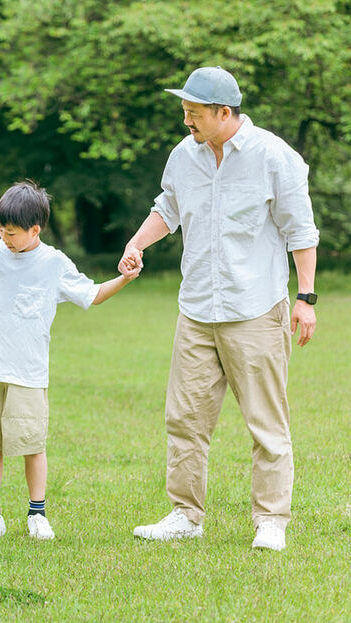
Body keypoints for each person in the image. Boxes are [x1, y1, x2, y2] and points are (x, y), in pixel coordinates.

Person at [120, 67, 319, 552]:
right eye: (184, 111)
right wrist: (138, 242)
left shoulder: (274, 157)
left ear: (224, 113)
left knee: (267, 424)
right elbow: (167, 207)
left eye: (193, 113)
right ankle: (185, 516)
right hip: (196, 310)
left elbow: (301, 231)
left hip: (255, 310)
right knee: (185, 419)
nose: (186, 120)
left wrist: (306, 298)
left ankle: (270, 520)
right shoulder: (183, 156)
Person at [0, 180, 137, 541]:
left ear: (35, 230)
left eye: (11, 233)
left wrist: (124, 278)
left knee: (31, 442)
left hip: (28, 371)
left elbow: (92, 295)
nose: (5, 238)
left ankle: (37, 513)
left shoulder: (53, 263)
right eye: (0, 230)